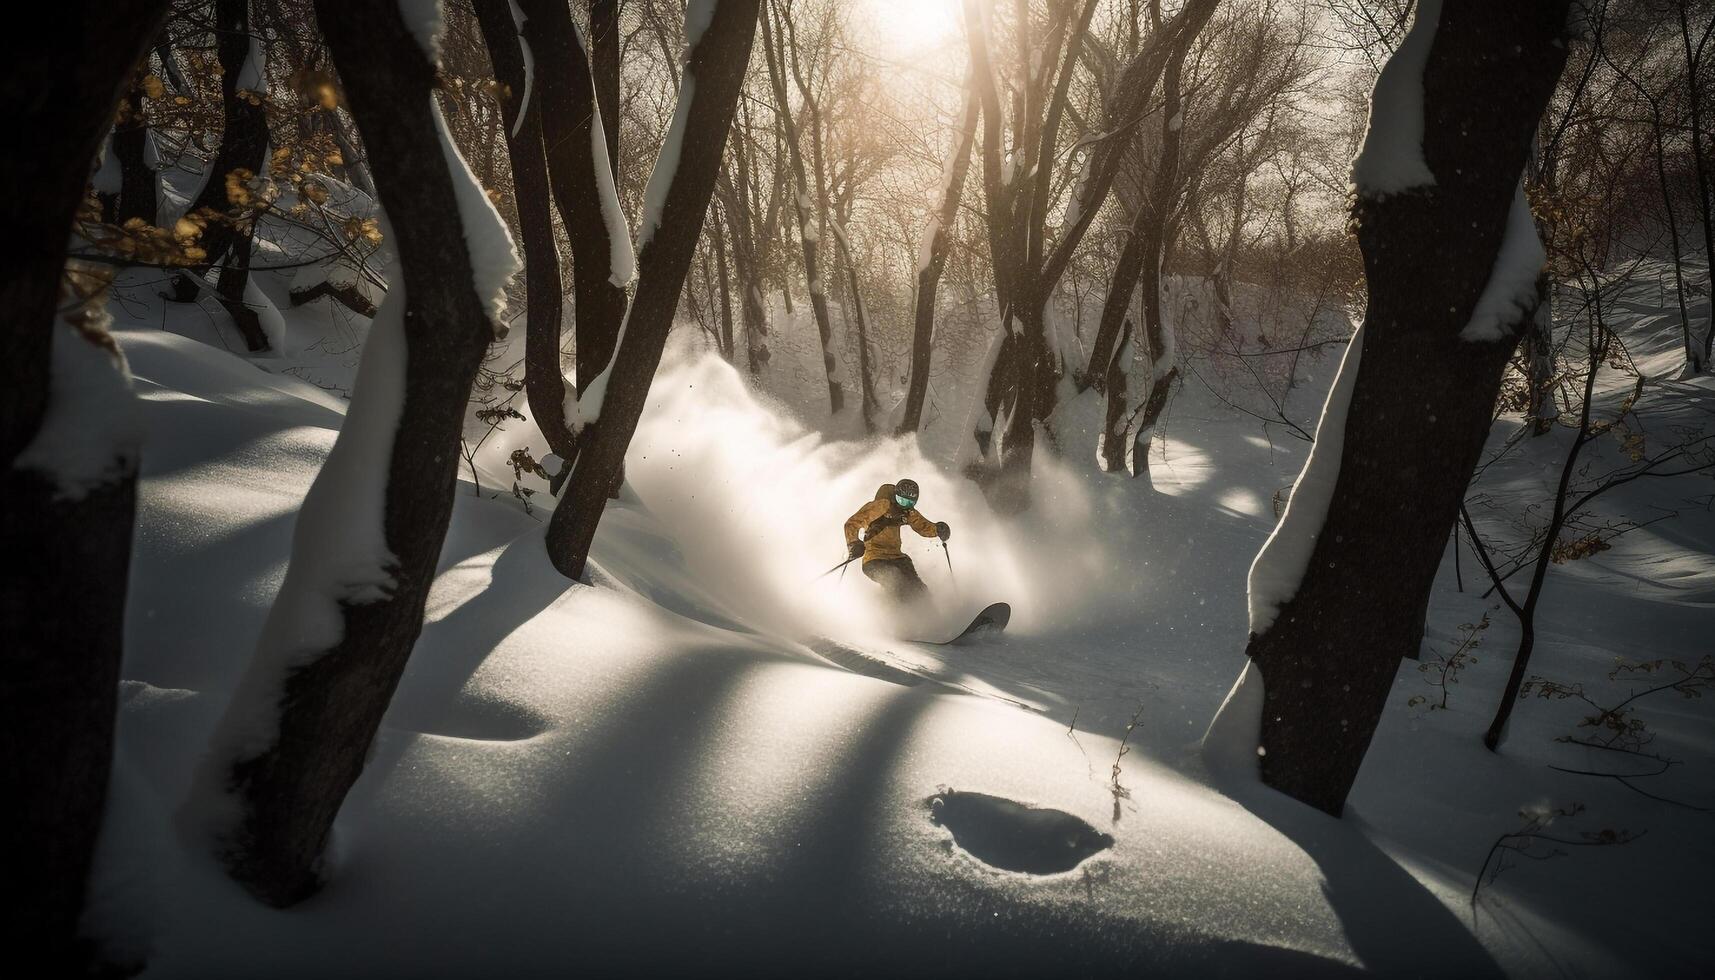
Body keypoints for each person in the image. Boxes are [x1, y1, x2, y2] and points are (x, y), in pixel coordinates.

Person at [842, 478, 950, 604]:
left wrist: (937, 530)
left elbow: (922, 526)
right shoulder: (881, 506)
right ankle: (897, 613)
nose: (904, 505)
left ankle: (926, 613)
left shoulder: (908, 511)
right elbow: (852, 523)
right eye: (901, 500)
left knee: (918, 588)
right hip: (874, 560)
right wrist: (853, 543)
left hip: (897, 557)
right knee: (894, 579)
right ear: (895, 496)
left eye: (909, 502)